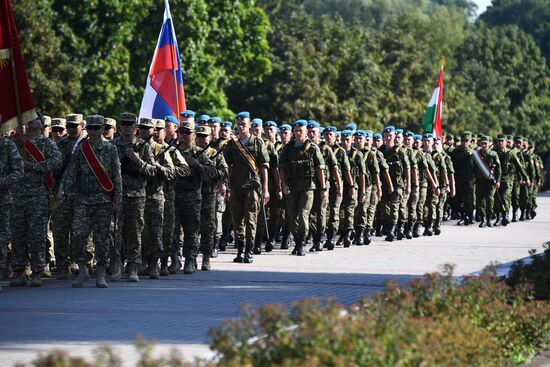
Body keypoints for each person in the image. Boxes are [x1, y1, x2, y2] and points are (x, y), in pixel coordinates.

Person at [62, 115, 123, 288]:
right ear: (87, 129)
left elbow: (117, 177)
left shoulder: (110, 149)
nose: (94, 131)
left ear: (103, 129)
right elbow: (72, 172)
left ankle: (101, 273)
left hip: (103, 200)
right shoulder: (82, 148)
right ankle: (83, 270)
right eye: (91, 128)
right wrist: (63, 191)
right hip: (83, 199)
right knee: (79, 234)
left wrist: (118, 200)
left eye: (98, 128)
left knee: (101, 238)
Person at [10, 117, 62, 287]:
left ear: (40, 125)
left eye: (33, 120)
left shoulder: (46, 143)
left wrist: (33, 166)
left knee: (37, 235)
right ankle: (19, 270)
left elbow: (56, 161)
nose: (30, 123)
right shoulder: (14, 143)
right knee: (18, 234)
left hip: (38, 196)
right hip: (17, 194)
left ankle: (37, 271)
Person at [112, 113, 158, 282]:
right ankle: (116, 264)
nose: (126, 127)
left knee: (135, 232)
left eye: (130, 124)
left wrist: (138, 161)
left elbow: (153, 171)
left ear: (135, 127)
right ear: (119, 125)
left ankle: (134, 266)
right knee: (115, 232)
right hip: (117, 195)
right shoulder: (112, 145)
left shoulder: (143, 146)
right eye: (123, 123)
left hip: (137, 195)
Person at [223, 112, 270, 263]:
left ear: (249, 125)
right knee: (237, 220)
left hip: (252, 187)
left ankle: (249, 251)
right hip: (236, 187)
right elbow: (227, 167)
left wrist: (266, 188)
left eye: (244, 124)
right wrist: (227, 186)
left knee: (251, 220)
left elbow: (264, 167)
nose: (241, 127)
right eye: (239, 124)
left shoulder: (257, 143)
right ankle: (240, 250)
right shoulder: (231, 144)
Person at [174, 121, 216, 273]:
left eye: (187, 133)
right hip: (174, 195)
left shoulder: (199, 152)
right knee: (173, 229)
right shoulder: (172, 151)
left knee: (191, 229)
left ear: (193, 135)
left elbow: (212, 173)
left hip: (192, 196)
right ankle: (175, 258)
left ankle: (190, 260)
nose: (184, 135)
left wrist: (197, 165)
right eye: (182, 132)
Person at [278, 120, 325, 256]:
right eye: (296, 130)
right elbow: (281, 168)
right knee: (292, 216)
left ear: (306, 132)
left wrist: (322, 188)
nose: (298, 133)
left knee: (303, 213)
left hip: (307, 187)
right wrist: (284, 185)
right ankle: (296, 238)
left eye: (301, 131)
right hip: (292, 186)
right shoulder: (287, 148)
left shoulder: (312, 148)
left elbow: (319, 169)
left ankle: (301, 242)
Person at [52, 113, 87, 280]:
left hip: (82, 194)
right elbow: (55, 168)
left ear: (82, 125)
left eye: (75, 125)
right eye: (70, 126)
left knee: (80, 232)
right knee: (60, 230)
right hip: (63, 193)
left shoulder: (88, 144)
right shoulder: (61, 144)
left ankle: (80, 264)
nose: (72, 129)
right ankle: (62, 267)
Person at [141, 118, 175, 279]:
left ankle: (155, 263)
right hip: (135, 196)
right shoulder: (133, 148)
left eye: (148, 128)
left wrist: (158, 167)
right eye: (141, 127)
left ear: (154, 131)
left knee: (155, 232)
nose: (144, 131)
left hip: (155, 196)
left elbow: (172, 172)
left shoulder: (161, 149)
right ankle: (141, 261)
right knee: (138, 232)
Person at [196, 125, 228, 269]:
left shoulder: (216, 154)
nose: (202, 139)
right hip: (191, 194)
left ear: (210, 138)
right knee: (190, 227)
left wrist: (205, 170)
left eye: (204, 136)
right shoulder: (190, 152)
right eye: (199, 136)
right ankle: (189, 257)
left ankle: (206, 257)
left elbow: (224, 172)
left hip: (209, 195)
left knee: (208, 227)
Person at [308, 120, 340, 252]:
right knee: (309, 214)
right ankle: (315, 236)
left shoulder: (326, 149)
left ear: (318, 134)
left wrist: (340, 186)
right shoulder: (305, 147)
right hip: (308, 185)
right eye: (309, 132)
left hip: (324, 185)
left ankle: (320, 240)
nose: (311, 135)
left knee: (322, 213)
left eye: (313, 132)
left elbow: (334, 169)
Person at [0, 123, 24, 284]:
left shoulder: (7, 144)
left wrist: (2, 182)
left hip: (3, 199)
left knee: (2, 238)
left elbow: (19, 170)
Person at [378, 126, 408, 242]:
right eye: (386, 135)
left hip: (397, 184)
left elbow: (407, 169)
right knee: (385, 208)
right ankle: (389, 226)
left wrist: (409, 184)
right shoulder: (381, 151)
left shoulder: (400, 151)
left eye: (390, 135)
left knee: (395, 207)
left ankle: (392, 230)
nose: (388, 138)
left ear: (394, 136)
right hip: (384, 183)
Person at [339, 129, 365, 247]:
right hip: (338, 186)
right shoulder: (337, 153)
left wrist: (362, 191)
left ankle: (348, 234)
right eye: (343, 140)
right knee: (339, 212)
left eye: (347, 140)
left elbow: (362, 175)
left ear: (352, 141)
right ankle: (345, 232)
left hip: (352, 186)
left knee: (349, 210)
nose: (345, 142)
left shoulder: (357, 155)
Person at [472, 135, 501, 228]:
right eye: (482, 143)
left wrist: (498, 180)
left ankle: (489, 219)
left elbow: (499, 169)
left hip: (490, 181)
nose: (483, 145)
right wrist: (472, 179)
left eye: (485, 143)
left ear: (489, 143)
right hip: (480, 180)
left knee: (489, 199)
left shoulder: (493, 154)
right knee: (479, 200)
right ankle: (483, 219)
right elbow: (473, 168)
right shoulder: (477, 154)